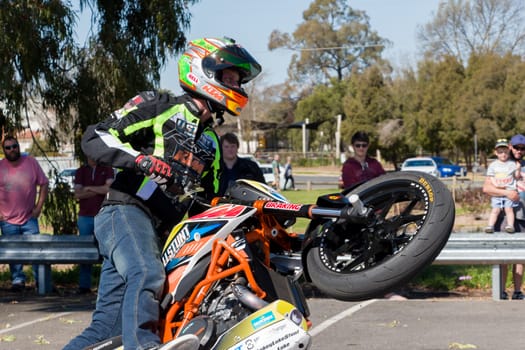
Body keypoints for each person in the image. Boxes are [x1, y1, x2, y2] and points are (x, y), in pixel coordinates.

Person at [63, 37, 261, 350]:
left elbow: (210, 201)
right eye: (230, 78)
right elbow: (96, 136)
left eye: (238, 80)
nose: (236, 85)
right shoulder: (160, 105)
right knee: (146, 274)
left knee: (105, 330)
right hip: (125, 211)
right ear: (203, 70)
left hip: (160, 234)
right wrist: (140, 160)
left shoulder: (211, 142)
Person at [0, 135, 49, 291]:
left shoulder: (31, 163)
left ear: (18, 146)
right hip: (7, 220)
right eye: (8, 147)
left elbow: (44, 183)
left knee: (36, 250)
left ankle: (40, 281)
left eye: (14, 146)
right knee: (13, 253)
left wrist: (39, 206)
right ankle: (17, 281)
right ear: (4, 150)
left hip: (29, 218)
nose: (12, 149)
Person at [483, 134, 525, 300]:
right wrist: (507, 193)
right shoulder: (500, 166)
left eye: (523, 149)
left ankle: (517, 291)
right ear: (510, 147)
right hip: (504, 215)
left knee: (520, 257)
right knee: (504, 256)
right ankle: (500, 290)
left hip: (522, 216)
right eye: (516, 148)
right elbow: (487, 188)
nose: (519, 151)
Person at [73, 157, 114, 294]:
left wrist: (89, 188)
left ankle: (107, 286)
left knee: (106, 251)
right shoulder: (81, 171)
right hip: (85, 217)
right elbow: (78, 194)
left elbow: (109, 190)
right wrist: (99, 189)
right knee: (85, 253)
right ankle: (84, 285)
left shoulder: (107, 169)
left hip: (103, 214)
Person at [484, 139, 519, 234]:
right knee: (495, 210)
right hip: (497, 193)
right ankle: (490, 226)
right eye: (500, 152)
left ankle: (510, 226)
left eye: (505, 152)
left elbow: (516, 176)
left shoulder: (512, 164)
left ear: (508, 151)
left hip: (509, 190)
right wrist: (495, 184)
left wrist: (518, 169)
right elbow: (491, 177)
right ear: (496, 153)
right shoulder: (493, 165)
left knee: (509, 209)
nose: (503, 154)